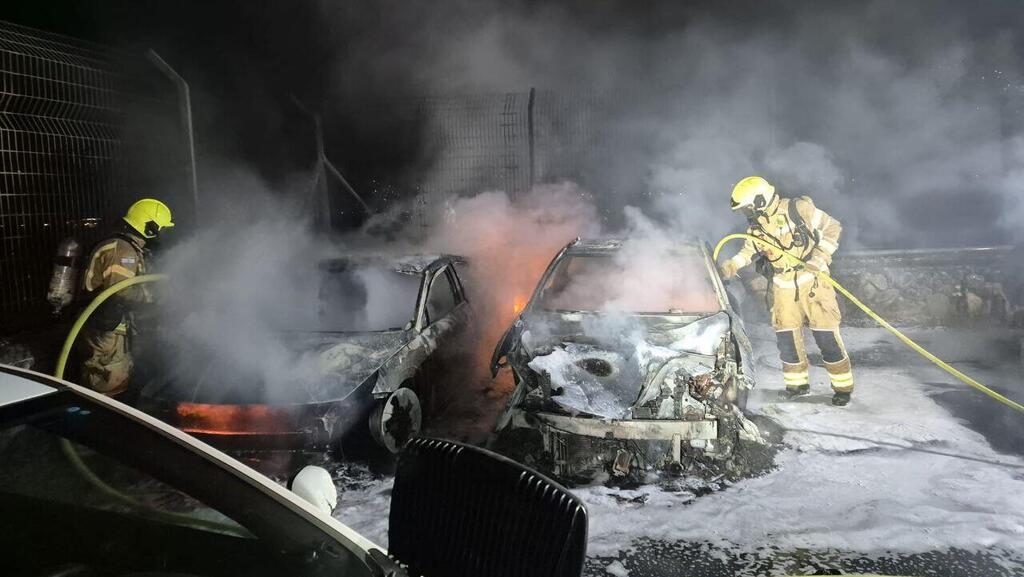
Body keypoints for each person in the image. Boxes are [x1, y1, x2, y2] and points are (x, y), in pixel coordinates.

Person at [720, 176, 854, 406]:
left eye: (748, 207)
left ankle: (842, 388)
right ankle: (796, 386)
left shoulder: (798, 208)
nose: (747, 212)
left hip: (813, 282)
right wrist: (733, 264)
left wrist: (819, 258)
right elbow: (748, 250)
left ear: (760, 200)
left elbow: (833, 227)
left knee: (826, 336)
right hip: (783, 286)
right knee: (787, 340)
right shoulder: (756, 226)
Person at [78, 199, 174, 398]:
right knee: (108, 375)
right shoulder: (122, 251)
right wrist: (154, 296)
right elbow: (119, 291)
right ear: (150, 227)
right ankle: (102, 414)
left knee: (120, 370)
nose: (162, 234)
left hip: (113, 321)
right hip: (105, 324)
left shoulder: (129, 247)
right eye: (161, 228)